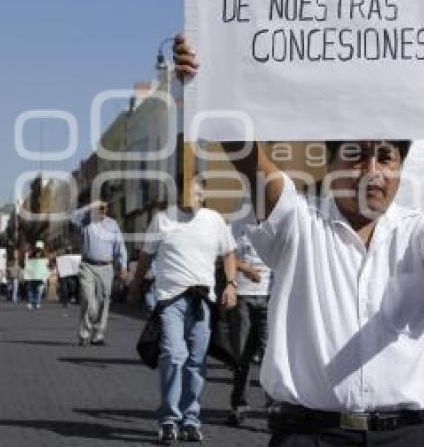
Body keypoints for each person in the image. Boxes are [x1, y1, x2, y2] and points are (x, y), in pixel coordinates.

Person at [171, 35, 424, 447]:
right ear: (329, 163)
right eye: (355, 155)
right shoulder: (297, 222)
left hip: (400, 437)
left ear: (401, 168)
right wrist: (209, 86)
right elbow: (248, 157)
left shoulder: (419, 228)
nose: (371, 170)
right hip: (308, 435)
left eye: (385, 158)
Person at [138, 178, 238, 443]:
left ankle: (190, 419)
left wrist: (230, 284)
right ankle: (169, 420)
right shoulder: (162, 220)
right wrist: (134, 286)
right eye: (189, 189)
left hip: (203, 300)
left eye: (198, 190)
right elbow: (146, 257)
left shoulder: (214, 219)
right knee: (173, 354)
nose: (194, 194)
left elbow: (228, 253)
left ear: (203, 194)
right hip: (170, 300)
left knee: (196, 361)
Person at [226, 213, 273, 426]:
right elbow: (226, 254)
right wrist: (245, 269)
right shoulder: (237, 223)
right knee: (241, 355)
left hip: (271, 296)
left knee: (270, 355)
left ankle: (274, 408)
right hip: (244, 296)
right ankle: (239, 405)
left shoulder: (278, 223)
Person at [70, 199, 128, 346]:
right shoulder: (86, 222)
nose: (101, 210)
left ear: (107, 209)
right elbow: (72, 217)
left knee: (104, 300)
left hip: (106, 267)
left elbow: (120, 245)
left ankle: (98, 335)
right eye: (99, 208)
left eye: (104, 208)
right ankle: (84, 334)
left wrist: (123, 265)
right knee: (88, 300)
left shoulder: (112, 224)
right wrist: (89, 206)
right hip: (87, 265)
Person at [26, 241, 49, 310]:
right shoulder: (44, 256)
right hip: (38, 275)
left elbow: (28, 265)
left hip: (33, 275)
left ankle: (32, 303)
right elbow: (46, 265)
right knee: (37, 290)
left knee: (33, 289)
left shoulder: (31, 255)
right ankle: (36, 303)